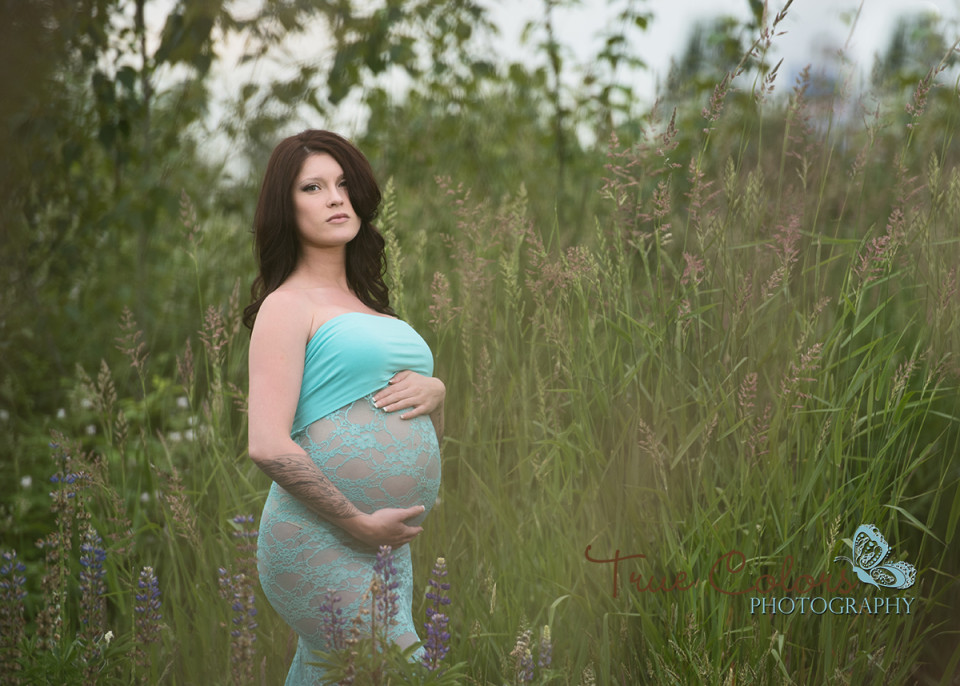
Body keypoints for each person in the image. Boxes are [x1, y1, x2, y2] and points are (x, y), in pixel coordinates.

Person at [243, 130, 445, 684]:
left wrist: (436, 393)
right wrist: (356, 522)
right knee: (403, 673)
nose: (335, 197)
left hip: (386, 541)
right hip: (321, 535)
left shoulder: (374, 310)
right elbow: (266, 442)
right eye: (313, 187)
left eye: (342, 184)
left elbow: (416, 428)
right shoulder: (286, 306)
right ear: (285, 209)